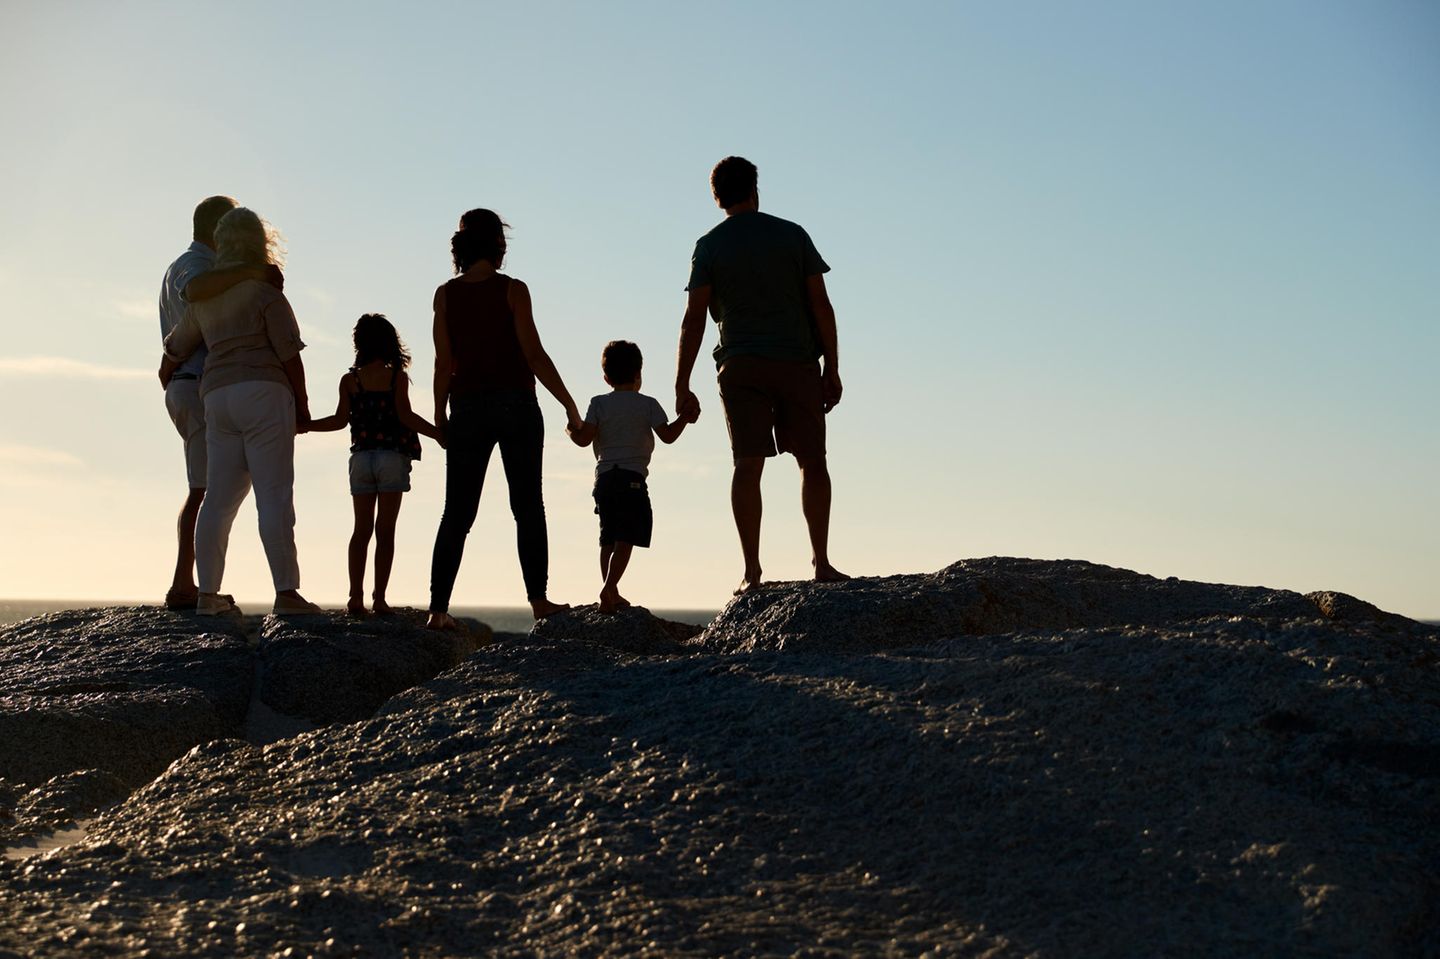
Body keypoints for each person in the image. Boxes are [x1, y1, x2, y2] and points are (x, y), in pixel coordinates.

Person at [673, 156, 849, 594]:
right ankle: (822, 562)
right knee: (813, 462)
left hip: (741, 364)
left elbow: (694, 318)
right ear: (755, 188)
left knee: (747, 465)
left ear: (717, 198)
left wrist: (682, 382)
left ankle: (752, 571)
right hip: (797, 361)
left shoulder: (709, 244)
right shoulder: (792, 235)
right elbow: (821, 304)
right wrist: (833, 365)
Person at [160, 207, 321, 617]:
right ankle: (286, 593)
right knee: (273, 494)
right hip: (263, 391)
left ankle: (208, 595)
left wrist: (169, 380)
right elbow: (289, 355)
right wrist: (301, 406)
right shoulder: (265, 290)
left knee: (218, 498)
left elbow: (174, 349)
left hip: (216, 395)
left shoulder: (204, 297)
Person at [426, 209, 582, 630]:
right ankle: (539, 601)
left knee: (456, 512)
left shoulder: (445, 295)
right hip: (516, 405)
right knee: (528, 506)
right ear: (499, 244)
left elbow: (444, 362)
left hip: (468, 408)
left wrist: (439, 412)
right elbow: (534, 355)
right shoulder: (513, 290)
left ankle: (437, 610)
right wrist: (569, 404)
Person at [305, 314, 443, 616]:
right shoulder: (396, 378)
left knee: (361, 530)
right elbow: (406, 416)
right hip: (392, 457)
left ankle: (355, 598)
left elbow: (339, 421)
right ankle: (379, 599)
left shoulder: (350, 380)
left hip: (361, 458)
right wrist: (438, 434)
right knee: (385, 531)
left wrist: (306, 425)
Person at [566, 340, 693, 612]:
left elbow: (584, 439)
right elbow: (668, 435)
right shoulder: (647, 404)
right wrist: (684, 418)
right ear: (639, 374)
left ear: (606, 377)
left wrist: (571, 431)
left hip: (604, 479)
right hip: (632, 478)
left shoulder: (598, 403)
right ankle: (609, 589)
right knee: (627, 536)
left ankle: (611, 590)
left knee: (608, 537)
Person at [156, 195, 236, 610]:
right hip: (196, 382)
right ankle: (186, 585)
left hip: (186, 381)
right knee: (204, 490)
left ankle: (194, 581)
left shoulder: (184, 264)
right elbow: (197, 294)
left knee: (208, 488)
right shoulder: (197, 265)